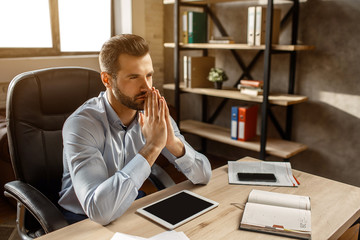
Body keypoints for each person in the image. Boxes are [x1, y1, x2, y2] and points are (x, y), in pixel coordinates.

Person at [58, 34, 212, 225]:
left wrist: (172, 142)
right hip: (82, 220)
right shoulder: (82, 125)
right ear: (107, 79)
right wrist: (153, 147)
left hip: (129, 206)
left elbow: (204, 175)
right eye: (134, 77)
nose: (147, 87)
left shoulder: (153, 114)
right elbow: (99, 211)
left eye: (149, 75)